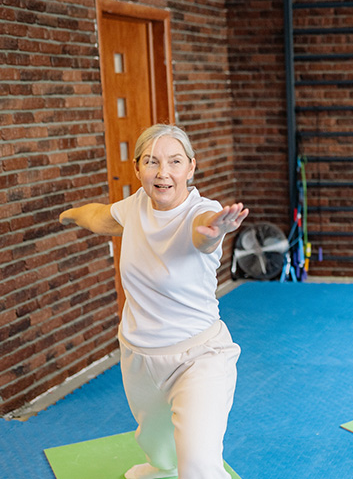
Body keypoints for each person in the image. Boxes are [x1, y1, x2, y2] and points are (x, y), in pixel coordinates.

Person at [60, 124, 249, 479]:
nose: (163, 172)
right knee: (160, 452)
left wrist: (215, 231)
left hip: (198, 358)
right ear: (137, 169)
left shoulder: (201, 212)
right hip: (139, 357)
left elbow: (203, 233)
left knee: (199, 468)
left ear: (191, 167)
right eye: (151, 162)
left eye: (175, 161)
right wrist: (69, 214)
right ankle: (160, 464)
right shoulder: (134, 207)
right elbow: (100, 217)